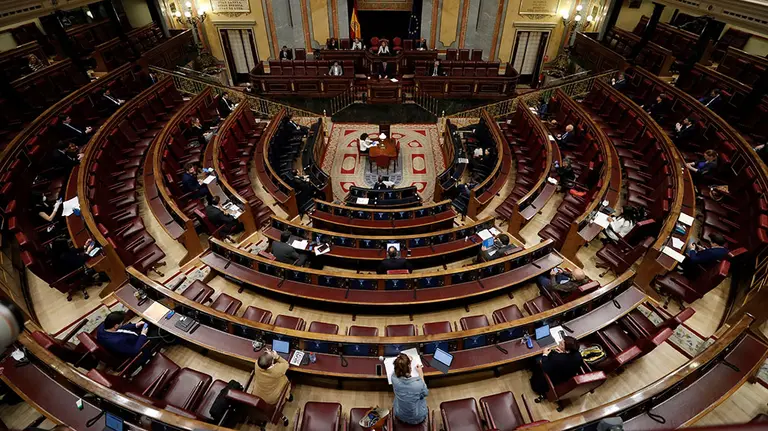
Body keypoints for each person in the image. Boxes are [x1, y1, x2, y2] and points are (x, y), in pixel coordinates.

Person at [391, 353, 428, 425]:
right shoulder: (417, 384)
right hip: (417, 418)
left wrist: (403, 361)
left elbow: (397, 370)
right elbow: (425, 393)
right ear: (409, 367)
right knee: (421, 396)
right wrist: (421, 374)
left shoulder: (393, 378)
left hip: (399, 415)